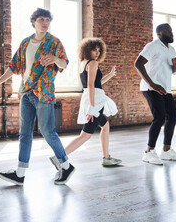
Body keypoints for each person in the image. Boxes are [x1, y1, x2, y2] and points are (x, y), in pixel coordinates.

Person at [0, 8, 75, 185]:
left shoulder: (54, 43)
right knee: (24, 133)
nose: (45, 22)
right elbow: (14, 67)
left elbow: (65, 63)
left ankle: (66, 166)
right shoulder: (26, 43)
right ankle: (20, 174)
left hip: (44, 93)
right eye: (41, 19)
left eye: (47, 20)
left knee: (47, 131)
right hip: (26, 92)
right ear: (34, 21)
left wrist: (54, 59)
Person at [49, 38, 122, 170]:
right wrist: (92, 108)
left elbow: (96, 84)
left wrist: (110, 75)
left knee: (105, 126)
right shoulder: (93, 63)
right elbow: (90, 85)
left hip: (92, 98)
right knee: (85, 135)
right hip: (94, 101)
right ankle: (59, 157)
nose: (97, 53)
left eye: (99, 50)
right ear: (88, 50)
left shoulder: (84, 63)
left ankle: (106, 157)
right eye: (95, 50)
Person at [134, 23, 176, 165]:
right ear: (159, 33)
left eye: (172, 30)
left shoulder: (171, 49)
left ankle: (166, 151)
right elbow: (138, 63)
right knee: (160, 117)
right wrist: (152, 84)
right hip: (151, 88)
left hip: (165, 88)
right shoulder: (153, 46)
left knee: (173, 115)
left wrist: (175, 66)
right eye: (168, 31)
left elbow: (173, 71)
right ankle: (149, 152)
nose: (172, 33)